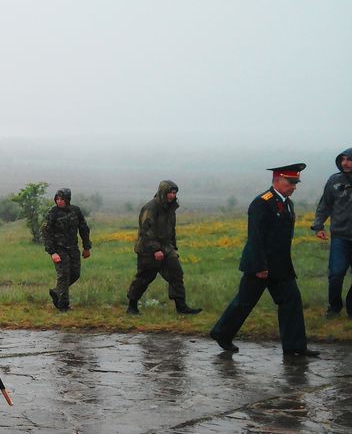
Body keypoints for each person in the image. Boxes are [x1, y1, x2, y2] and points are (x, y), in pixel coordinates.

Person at [210, 163, 319, 357]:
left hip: (281, 266)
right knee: (244, 302)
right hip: (260, 265)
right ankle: (221, 333)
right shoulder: (262, 202)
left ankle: (295, 346)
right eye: (290, 182)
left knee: (291, 301)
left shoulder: (288, 203)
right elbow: (256, 237)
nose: (294, 186)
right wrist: (260, 266)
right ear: (277, 180)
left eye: (296, 183)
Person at [125, 181, 202, 316]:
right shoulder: (151, 207)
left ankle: (181, 307)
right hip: (147, 249)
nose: (172, 195)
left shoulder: (171, 208)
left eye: (174, 193)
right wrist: (155, 249)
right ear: (163, 192)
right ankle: (132, 306)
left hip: (167, 248)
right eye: (170, 192)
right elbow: (146, 230)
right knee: (144, 277)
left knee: (176, 274)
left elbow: (171, 230)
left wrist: (173, 247)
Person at [311, 147, 352, 318]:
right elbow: (325, 205)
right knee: (336, 273)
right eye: (343, 159)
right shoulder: (334, 181)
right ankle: (334, 307)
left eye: (349, 159)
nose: (345, 163)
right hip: (340, 236)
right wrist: (318, 226)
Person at [41, 188, 92, 311]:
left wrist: (86, 247)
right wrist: (52, 252)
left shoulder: (75, 211)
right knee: (64, 275)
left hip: (73, 248)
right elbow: (46, 233)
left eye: (62, 199)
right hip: (59, 249)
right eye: (57, 199)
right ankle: (63, 306)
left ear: (68, 199)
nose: (59, 201)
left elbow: (84, 229)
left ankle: (56, 291)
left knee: (75, 273)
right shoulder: (53, 212)